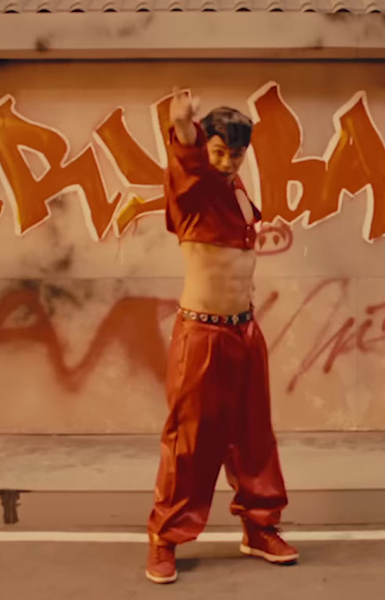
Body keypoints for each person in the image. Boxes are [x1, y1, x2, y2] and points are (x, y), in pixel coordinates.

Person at [145, 90, 297, 584]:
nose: (227, 161)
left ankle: (259, 528)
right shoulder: (195, 190)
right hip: (202, 336)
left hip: (244, 332)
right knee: (188, 442)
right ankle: (165, 538)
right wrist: (183, 126)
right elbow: (186, 159)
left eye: (236, 153)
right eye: (218, 151)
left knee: (254, 438)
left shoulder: (236, 193)